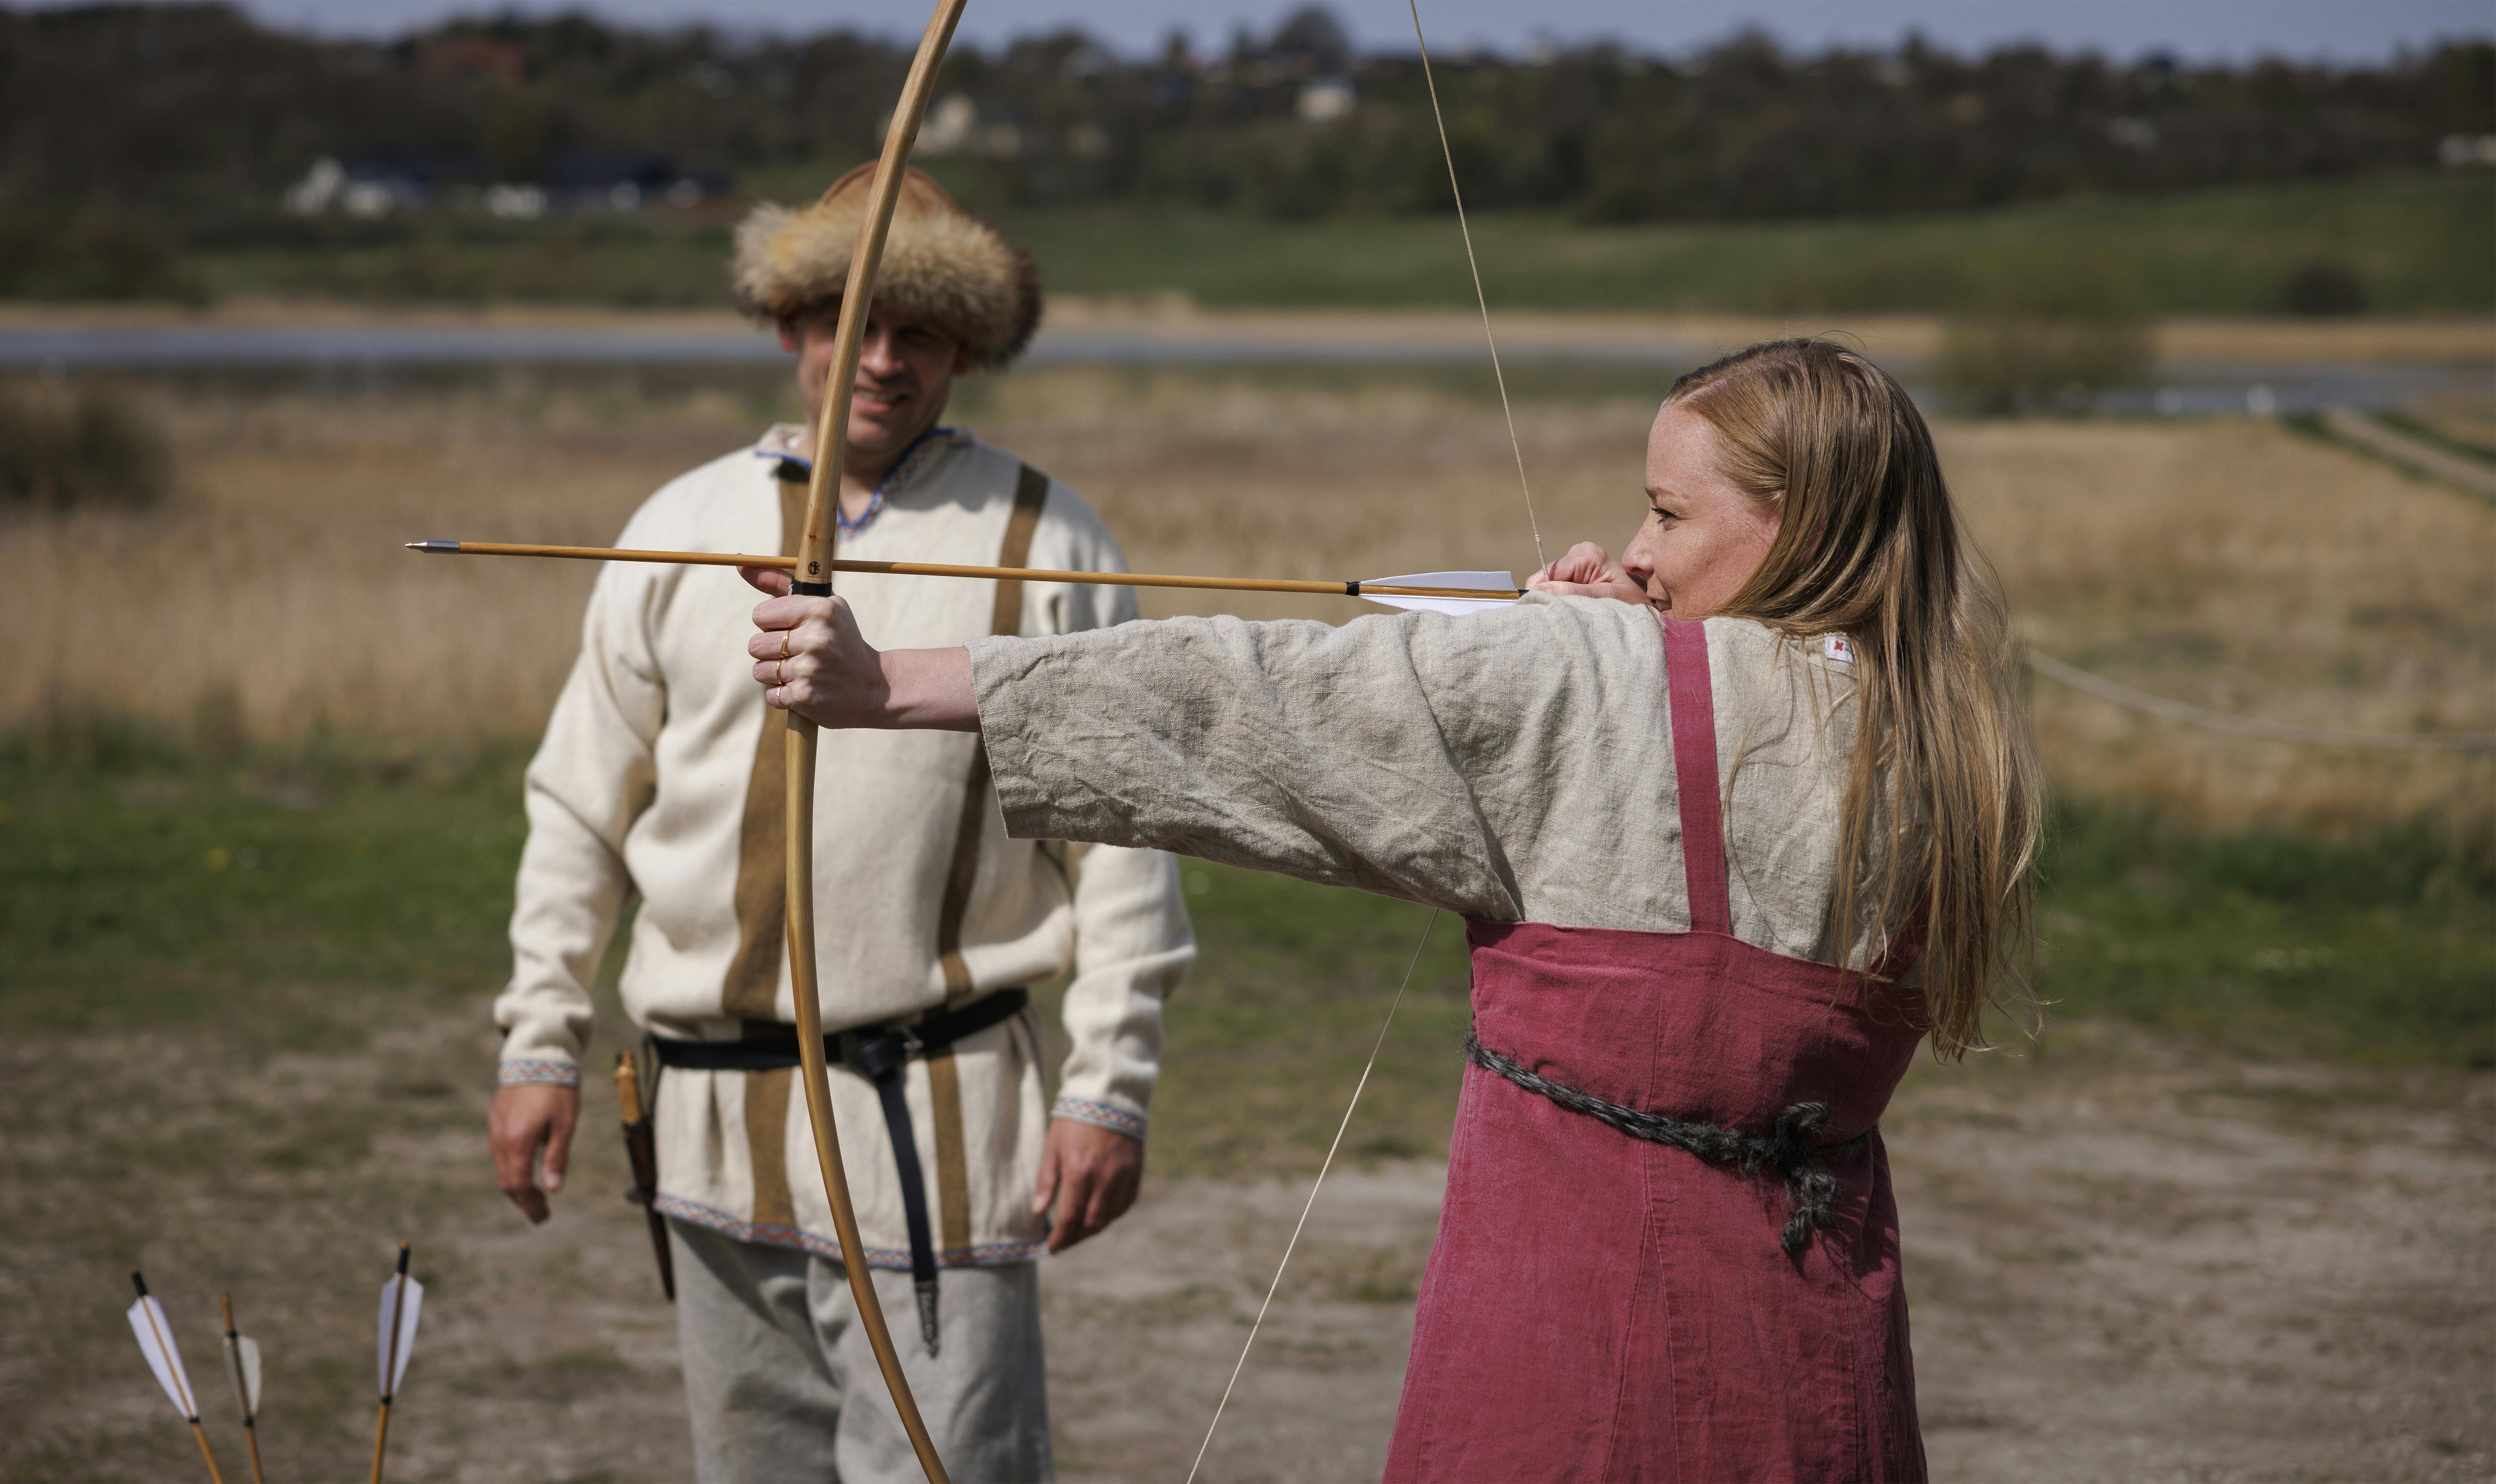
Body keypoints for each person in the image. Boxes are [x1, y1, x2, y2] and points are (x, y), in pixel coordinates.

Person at [743, 338, 2042, 1482]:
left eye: (1665, 515)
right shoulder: (1938, 720)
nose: (1638, 555)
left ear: (1799, 521)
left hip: (1572, 1297)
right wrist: (1590, 657)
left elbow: (1260, 695)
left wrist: (886, 681)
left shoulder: (1595, 669)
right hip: (1819, 1308)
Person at [487, 164, 1194, 1484]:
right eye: (848, 321)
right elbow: (580, 804)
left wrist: (1107, 1086)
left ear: (965, 349)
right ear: (790, 330)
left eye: (917, 330)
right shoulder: (679, 526)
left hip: (929, 1116)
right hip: (704, 1115)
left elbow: (1124, 832)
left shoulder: (1044, 540)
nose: (879, 360)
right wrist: (540, 1042)